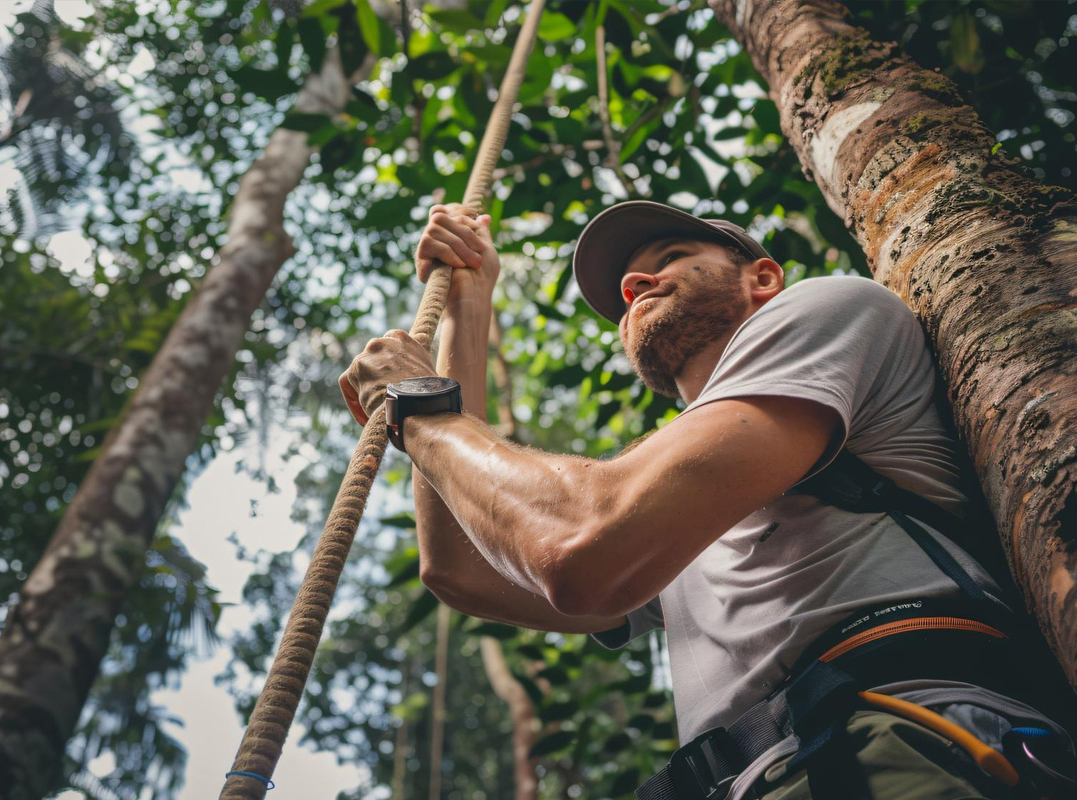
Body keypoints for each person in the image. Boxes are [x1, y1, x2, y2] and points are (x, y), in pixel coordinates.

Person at [338, 200, 1075, 799]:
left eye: (666, 262)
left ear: (761, 277)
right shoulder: (664, 491)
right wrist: (470, 305)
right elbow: (462, 567)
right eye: (627, 286)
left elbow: (582, 548)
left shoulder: (831, 311)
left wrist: (425, 410)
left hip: (901, 738)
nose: (634, 285)